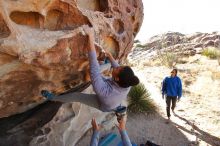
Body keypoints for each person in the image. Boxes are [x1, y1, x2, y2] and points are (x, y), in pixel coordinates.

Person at [41, 26, 139, 112]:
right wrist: (109, 56)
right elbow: (116, 66)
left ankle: (53, 98)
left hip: (104, 104)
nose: (117, 66)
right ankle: (116, 105)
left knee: (77, 95)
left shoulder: (104, 93)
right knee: (108, 66)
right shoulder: (127, 81)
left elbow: (94, 69)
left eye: (118, 69)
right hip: (113, 90)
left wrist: (90, 37)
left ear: (117, 78)